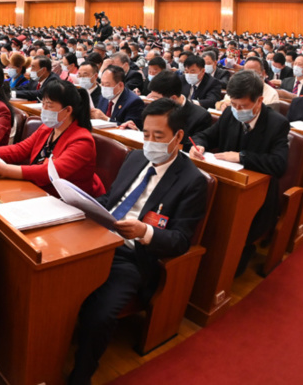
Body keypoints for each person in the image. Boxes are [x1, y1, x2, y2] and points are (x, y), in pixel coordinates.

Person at [68, 98, 209, 384]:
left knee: (100, 314)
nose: (150, 142)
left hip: (132, 257)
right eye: (146, 134)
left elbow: (181, 240)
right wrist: (80, 203)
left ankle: (81, 374)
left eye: (158, 136)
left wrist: (144, 232)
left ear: (178, 137)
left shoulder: (193, 181)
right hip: (98, 236)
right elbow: (111, 199)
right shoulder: (134, 157)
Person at [191, 70, 289, 274]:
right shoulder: (229, 114)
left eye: (243, 106)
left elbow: (279, 164)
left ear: (259, 101)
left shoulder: (277, 123)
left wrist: (241, 157)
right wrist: (199, 145)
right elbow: (206, 136)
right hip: (226, 184)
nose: (237, 110)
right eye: (234, 104)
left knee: (231, 257)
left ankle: (243, 249)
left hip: (258, 196)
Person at [0, 78, 104, 197]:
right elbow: (21, 149)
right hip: (40, 191)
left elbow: (50, 173)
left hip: (68, 200)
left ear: (68, 110)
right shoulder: (47, 128)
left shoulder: (82, 140)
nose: (44, 109)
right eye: (43, 104)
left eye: (49, 105)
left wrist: (3, 170)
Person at [130, 70, 212, 151]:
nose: (150, 99)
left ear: (172, 99)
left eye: (156, 98)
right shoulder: (154, 108)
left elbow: (190, 148)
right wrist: (137, 131)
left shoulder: (200, 117)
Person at [92, 64, 145, 129]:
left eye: (107, 84)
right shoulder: (103, 97)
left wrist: (107, 119)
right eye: (102, 84)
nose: (104, 88)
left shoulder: (134, 102)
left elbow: (131, 128)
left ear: (120, 85)